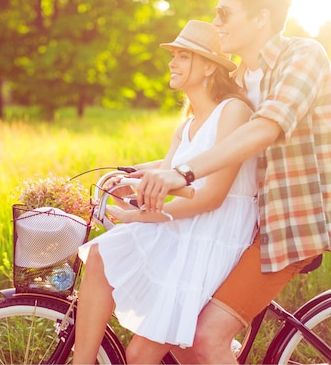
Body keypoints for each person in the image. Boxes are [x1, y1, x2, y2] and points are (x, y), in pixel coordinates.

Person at [131, 0, 331, 364]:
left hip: (285, 227)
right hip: (240, 224)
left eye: (224, 14)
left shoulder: (302, 57)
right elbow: (210, 148)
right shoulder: (239, 78)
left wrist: (181, 175)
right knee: (180, 325)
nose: (216, 24)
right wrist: (140, 172)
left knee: (204, 338)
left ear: (261, 18)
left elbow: (264, 130)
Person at [72, 20, 258, 365]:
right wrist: (128, 179)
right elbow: (169, 177)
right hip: (188, 228)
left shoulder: (234, 111)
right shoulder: (187, 123)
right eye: (173, 54)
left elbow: (212, 197)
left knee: (141, 355)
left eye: (183, 56)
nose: (172, 62)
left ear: (208, 66)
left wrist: (136, 215)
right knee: (100, 255)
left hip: (216, 233)